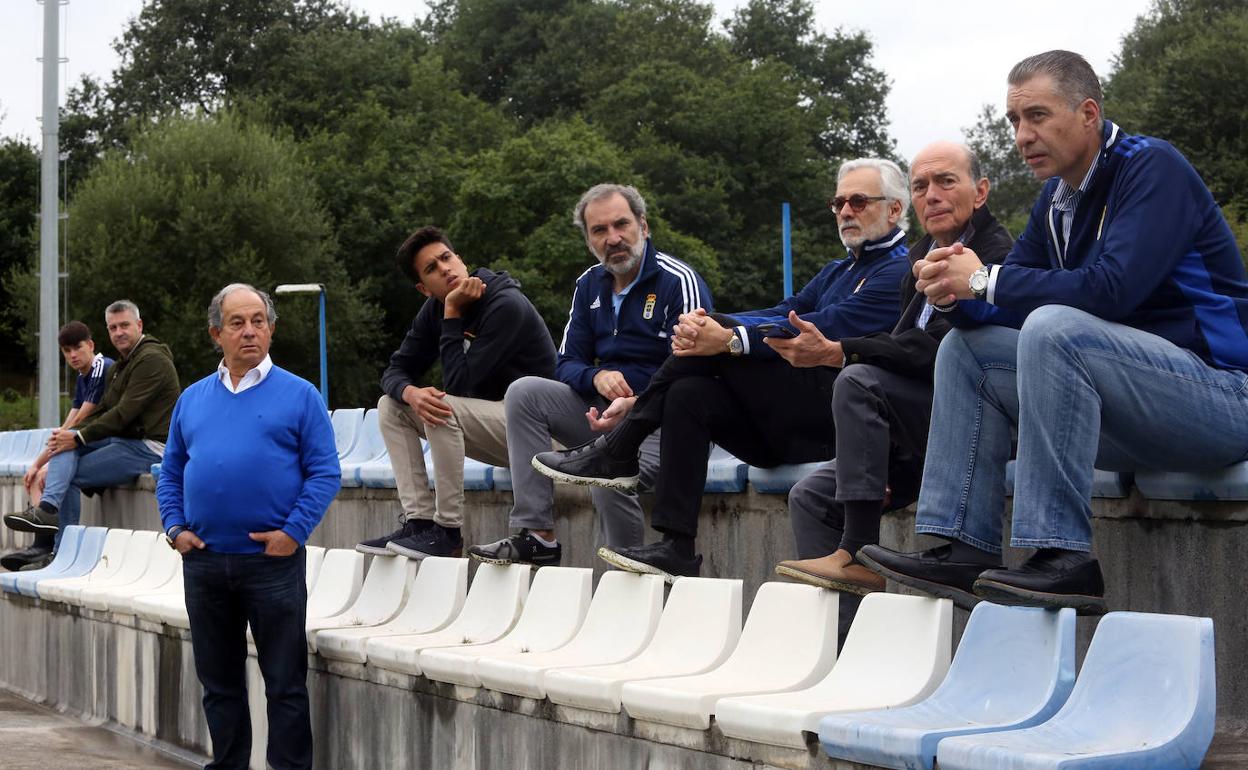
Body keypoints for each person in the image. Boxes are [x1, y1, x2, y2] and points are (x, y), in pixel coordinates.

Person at [859, 50, 1248, 615]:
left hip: (1222, 397)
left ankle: (1063, 557)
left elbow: (1111, 290)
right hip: (1132, 411)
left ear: (1088, 113)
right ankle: (962, 548)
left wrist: (984, 280)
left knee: (1055, 325)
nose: (1022, 135)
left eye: (1037, 115)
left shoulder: (1151, 167)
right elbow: (1006, 306)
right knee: (966, 350)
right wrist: (955, 294)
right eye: (1015, 120)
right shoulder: (1056, 199)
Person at [533, 160, 913, 580]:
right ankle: (677, 546)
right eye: (838, 203)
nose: (845, 212)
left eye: (858, 201)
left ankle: (620, 447)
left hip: (835, 428)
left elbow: (826, 323)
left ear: (894, 209)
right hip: (783, 428)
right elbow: (784, 309)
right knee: (689, 394)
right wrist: (718, 326)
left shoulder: (899, 270)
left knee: (709, 342)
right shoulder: (838, 269)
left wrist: (729, 337)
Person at [769, 142, 1013, 643]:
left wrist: (841, 351)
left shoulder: (997, 257)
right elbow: (902, 344)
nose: (932, 195)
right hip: (921, 428)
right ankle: (841, 648)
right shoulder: (918, 259)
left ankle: (857, 551)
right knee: (810, 495)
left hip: (976, 425)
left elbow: (936, 350)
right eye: (921, 185)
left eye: (946, 182)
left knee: (857, 379)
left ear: (981, 192)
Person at [467, 183, 713, 567]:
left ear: (643, 226)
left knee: (607, 474)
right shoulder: (589, 284)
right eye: (599, 230)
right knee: (525, 392)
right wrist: (597, 378)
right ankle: (537, 536)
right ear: (588, 241)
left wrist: (637, 403)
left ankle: (625, 576)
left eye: (621, 224)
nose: (613, 238)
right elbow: (565, 362)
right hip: (605, 416)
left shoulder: (677, 280)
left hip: (667, 425)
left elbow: (697, 369)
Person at [157, 283, 340, 770]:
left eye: (259, 321)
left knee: (285, 684)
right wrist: (174, 528)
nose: (250, 331)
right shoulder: (192, 399)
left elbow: (325, 472)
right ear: (216, 333)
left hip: (272, 564)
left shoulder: (301, 395)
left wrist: (293, 533)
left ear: (272, 329)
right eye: (237, 323)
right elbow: (170, 472)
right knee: (219, 686)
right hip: (204, 562)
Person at [355, 226, 556, 560]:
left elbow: (459, 387)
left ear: (460, 259)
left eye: (446, 258)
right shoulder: (433, 310)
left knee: (442, 406)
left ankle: (448, 532)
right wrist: (410, 392)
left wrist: (452, 315)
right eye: (432, 268)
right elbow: (394, 370)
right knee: (391, 405)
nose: (445, 269)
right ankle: (419, 523)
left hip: (545, 438)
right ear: (423, 288)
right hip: (502, 432)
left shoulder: (504, 304)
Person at [4, 300, 179, 549]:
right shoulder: (120, 366)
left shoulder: (152, 360)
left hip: (150, 447)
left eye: (124, 325)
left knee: (68, 470)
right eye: (113, 327)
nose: (119, 332)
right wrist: (69, 436)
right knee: (67, 441)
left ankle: (58, 546)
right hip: (127, 440)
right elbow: (102, 411)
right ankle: (46, 519)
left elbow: (123, 413)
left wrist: (78, 438)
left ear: (139, 325)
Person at [1, 321, 114, 571]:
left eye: (77, 348)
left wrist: (45, 461)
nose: (73, 355)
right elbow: (68, 426)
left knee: (51, 469)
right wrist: (36, 464)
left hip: (112, 440)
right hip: (87, 440)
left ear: (91, 345)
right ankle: (43, 545)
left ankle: (47, 538)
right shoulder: (82, 377)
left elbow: (80, 419)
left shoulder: (101, 366)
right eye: (66, 351)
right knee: (38, 475)